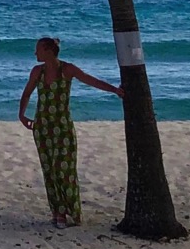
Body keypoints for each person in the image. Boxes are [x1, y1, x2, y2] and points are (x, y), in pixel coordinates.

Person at [19, 36, 123, 228]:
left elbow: (92, 81)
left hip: (63, 126)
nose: (35, 53)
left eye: (38, 50)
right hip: (42, 127)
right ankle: (58, 212)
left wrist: (115, 90)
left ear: (49, 51)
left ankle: (71, 210)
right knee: (50, 170)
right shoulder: (37, 71)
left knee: (65, 169)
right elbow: (27, 93)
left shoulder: (67, 69)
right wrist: (22, 115)